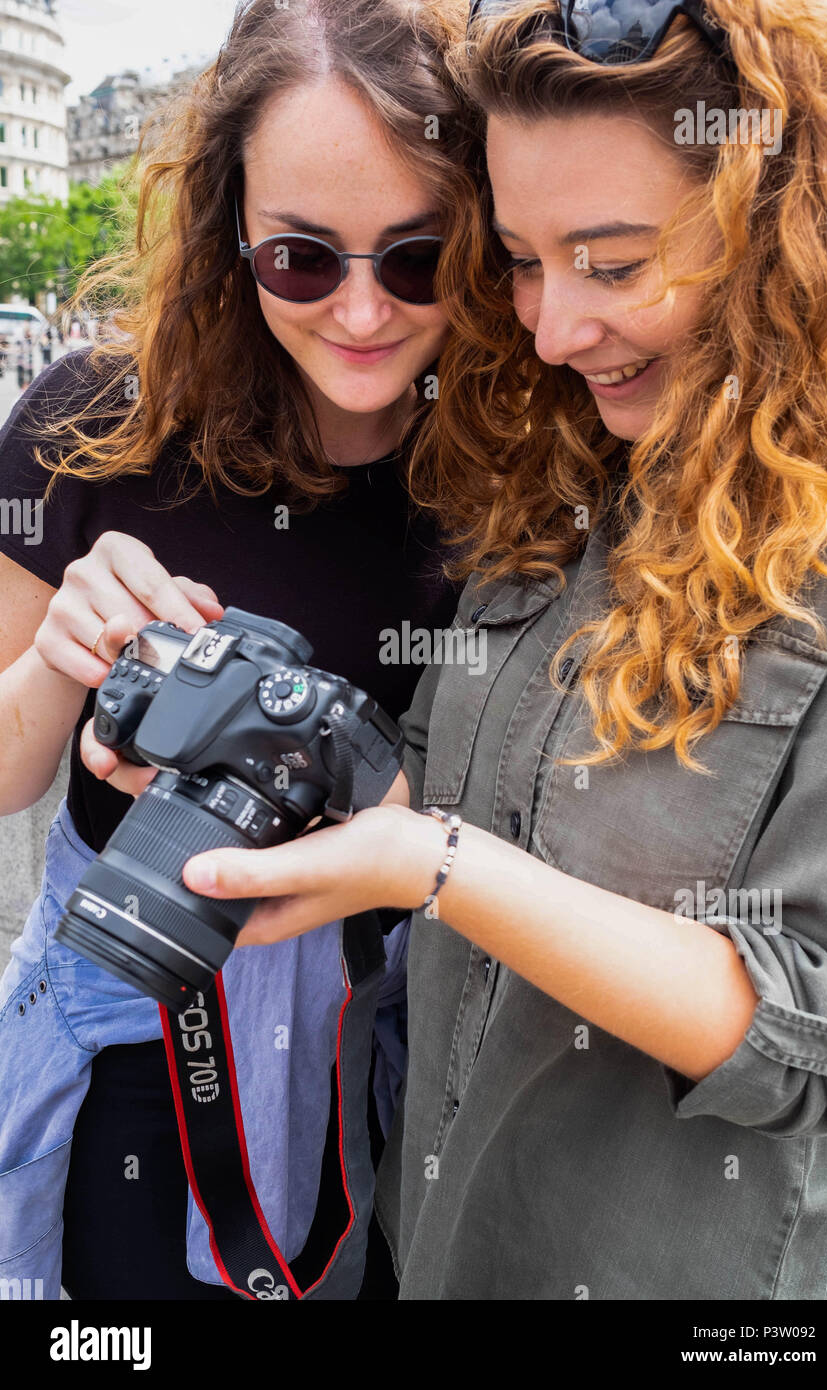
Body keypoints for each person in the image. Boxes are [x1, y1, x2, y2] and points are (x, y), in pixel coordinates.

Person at [92, 0, 827, 1299]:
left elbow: (821, 1037)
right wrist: (250, 728)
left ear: (771, 232)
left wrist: (438, 867)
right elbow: (425, 791)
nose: (552, 329)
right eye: (515, 258)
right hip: (431, 1241)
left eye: (611, 265)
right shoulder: (557, 475)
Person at [0, 0, 472, 1301]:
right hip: (130, 1036)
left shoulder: (515, 469)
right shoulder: (89, 421)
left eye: (420, 257)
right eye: (302, 260)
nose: (364, 312)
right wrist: (59, 661)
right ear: (230, 228)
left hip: (383, 1045)